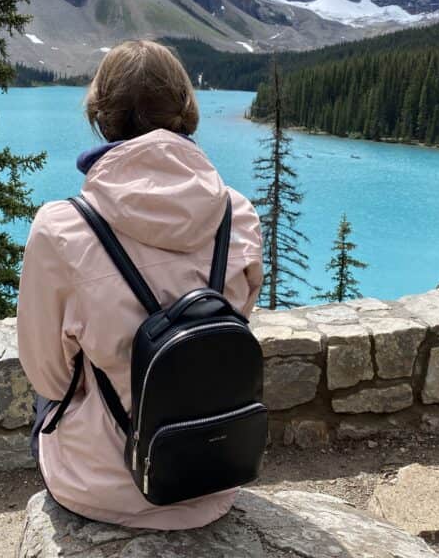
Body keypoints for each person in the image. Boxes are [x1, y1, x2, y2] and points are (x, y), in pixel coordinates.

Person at [17, 40, 264, 530]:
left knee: (45, 403)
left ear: (101, 118)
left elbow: (48, 377)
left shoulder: (63, 226)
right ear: (184, 111)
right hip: (215, 475)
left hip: (101, 488)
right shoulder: (238, 214)